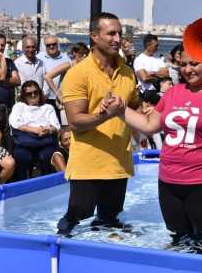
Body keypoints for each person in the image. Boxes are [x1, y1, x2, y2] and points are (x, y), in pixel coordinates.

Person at [103, 50, 202, 251]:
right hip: (170, 182)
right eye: (184, 64)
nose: (188, 69)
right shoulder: (174, 92)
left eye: (195, 64)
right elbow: (148, 125)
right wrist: (120, 109)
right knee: (178, 241)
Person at [56, 12, 141, 236]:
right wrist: (106, 115)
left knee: (110, 220)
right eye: (111, 33)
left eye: (119, 33)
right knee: (75, 218)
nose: (117, 38)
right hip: (88, 164)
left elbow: (134, 107)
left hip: (119, 162)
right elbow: (75, 122)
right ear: (94, 36)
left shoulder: (127, 72)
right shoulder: (78, 73)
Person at [9, 80, 60, 180]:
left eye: (35, 92)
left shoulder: (48, 107)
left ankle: (47, 183)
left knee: (47, 156)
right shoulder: (19, 106)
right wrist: (34, 130)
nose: (33, 95)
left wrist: (47, 129)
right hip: (25, 141)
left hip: (44, 140)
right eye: (29, 93)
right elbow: (14, 122)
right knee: (22, 156)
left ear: (40, 93)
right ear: (24, 95)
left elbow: (56, 125)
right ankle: (23, 185)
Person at [37, 35, 72, 119]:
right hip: (45, 98)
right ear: (45, 46)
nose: (51, 46)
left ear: (57, 44)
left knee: (61, 125)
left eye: (54, 44)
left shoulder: (65, 58)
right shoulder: (39, 57)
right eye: (48, 45)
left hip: (60, 98)